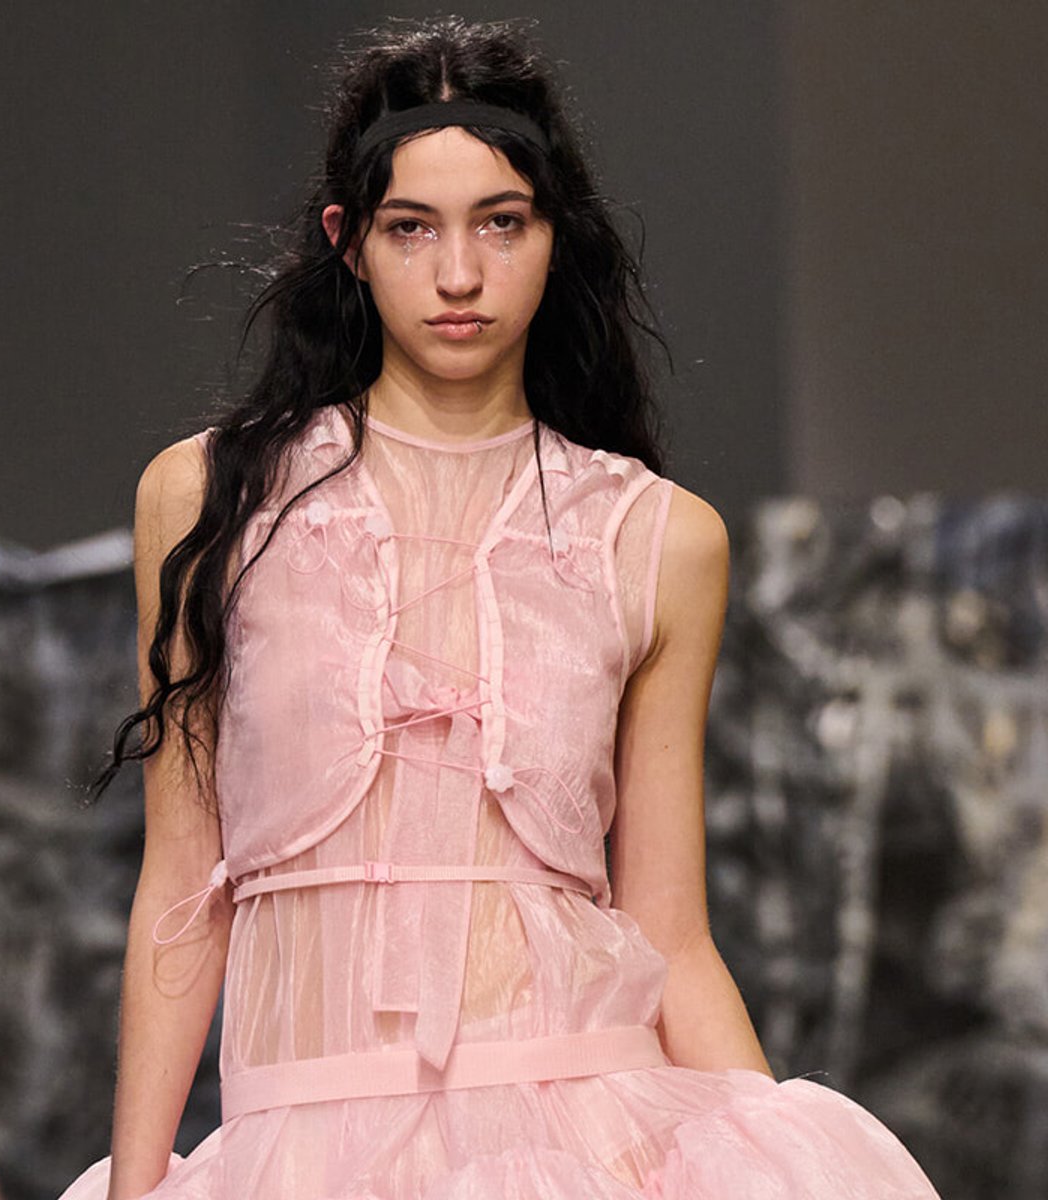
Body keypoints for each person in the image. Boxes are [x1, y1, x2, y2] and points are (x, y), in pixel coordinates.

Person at [62, 16, 940, 1199]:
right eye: (411, 228)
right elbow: (180, 889)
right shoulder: (208, 500)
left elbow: (667, 932)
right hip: (298, 1147)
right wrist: (135, 1182)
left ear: (551, 238)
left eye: (502, 224)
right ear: (349, 244)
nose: (459, 275)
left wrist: (775, 1162)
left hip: (583, 1133)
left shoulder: (657, 537)